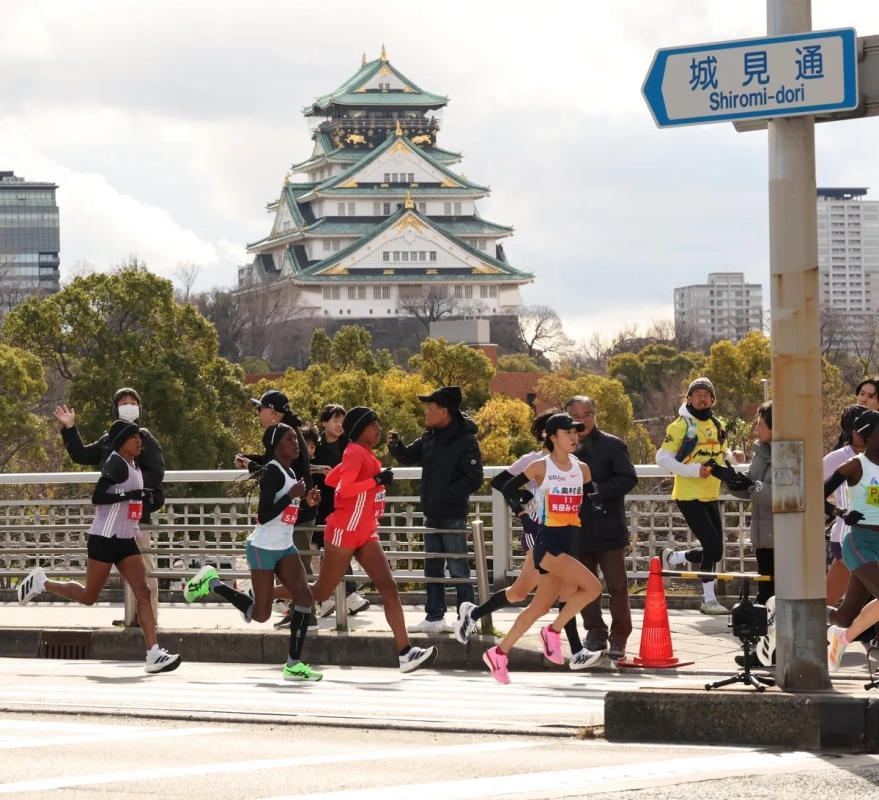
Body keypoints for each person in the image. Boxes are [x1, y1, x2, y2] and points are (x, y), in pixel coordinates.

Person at [17, 420, 180, 674]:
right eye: (133, 438)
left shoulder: (134, 465)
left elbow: (134, 495)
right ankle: (42, 583)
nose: (139, 441)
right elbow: (99, 496)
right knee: (89, 597)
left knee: (143, 591)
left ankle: (154, 654)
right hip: (104, 538)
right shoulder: (115, 462)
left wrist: (148, 496)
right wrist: (130, 496)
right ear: (121, 442)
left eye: (139, 437)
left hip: (126, 538)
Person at [455, 410, 599, 669]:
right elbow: (501, 482)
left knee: (528, 595)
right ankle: (571, 647)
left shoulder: (576, 466)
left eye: (574, 432)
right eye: (566, 431)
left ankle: (488, 633)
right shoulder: (533, 461)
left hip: (564, 534)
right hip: (540, 533)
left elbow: (585, 490)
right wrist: (523, 505)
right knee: (556, 591)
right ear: (549, 435)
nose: (573, 436)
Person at [183, 423, 323, 681]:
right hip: (263, 548)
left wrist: (305, 502)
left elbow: (287, 511)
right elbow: (266, 514)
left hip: (285, 546)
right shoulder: (272, 471)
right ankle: (213, 583)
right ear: (276, 445)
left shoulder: (290, 471)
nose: (296, 443)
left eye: (296, 439)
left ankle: (293, 665)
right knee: (261, 614)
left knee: (304, 597)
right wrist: (292, 495)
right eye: (290, 439)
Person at [310, 407, 437, 672]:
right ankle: (262, 595)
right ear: (360, 429)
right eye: (374, 425)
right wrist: (375, 479)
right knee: (321, 591)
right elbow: (345, 490)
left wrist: (359, 474)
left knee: (389, 588)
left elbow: (333, 479)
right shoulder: (355, 452)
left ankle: (406, 653)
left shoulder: (361, 453)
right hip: (346, 530)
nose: (379, 429)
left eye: (379, 424)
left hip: (366, 532)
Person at [54, 389, 164, 627]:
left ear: (139, 408)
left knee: (143, 572)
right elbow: (81, 455)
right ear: (115, 409)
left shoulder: (145, 438)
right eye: (123, 403)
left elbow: (157, 473)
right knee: (121, 577)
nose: (128, 406)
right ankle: (132, 618)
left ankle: (149, 619)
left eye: (133, 402)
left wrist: (131, 488)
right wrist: (70, 428)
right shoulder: (108, 441)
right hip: (109, 520)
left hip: (135, 517)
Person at [388, 386, 483, 633]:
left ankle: (468, 619)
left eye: (430, 408)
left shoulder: (465, 440)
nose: (426, 413)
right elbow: (409, 456)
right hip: (432, 514)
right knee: (432, 568)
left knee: (458, 569)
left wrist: (445, 495)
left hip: (453, 515)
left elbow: (474, 477)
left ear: (444, 411)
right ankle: (434, 617)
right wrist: (396, 446)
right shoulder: (430, 436)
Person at [236, 390, 319, 632]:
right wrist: (252, 464)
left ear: (272, 412)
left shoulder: (287, 436)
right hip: (284, 522)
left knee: (302, 579)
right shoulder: (284, 437)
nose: (258, 413)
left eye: (260, 408)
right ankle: (293, 612)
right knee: (269, 608)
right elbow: (275, 474)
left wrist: (301, 499)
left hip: (294, 518)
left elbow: (282, 476)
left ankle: (303, 616)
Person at [565, 395, 638, 663]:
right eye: (575, 417)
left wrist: (597, 490)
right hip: (575, 528)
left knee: (617, 586)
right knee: (583, 586)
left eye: (587, 415)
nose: (582, 421)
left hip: (608, 527)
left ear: (595, 416)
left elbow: (629, 478)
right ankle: (595, 633)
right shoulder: (563, 447)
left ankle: (619, 637)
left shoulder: (612, 444)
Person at [657, 378, 730, 615]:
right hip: (688, 495)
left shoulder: (718, 424)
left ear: (713, 400)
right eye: (697, 394)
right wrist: (692, 471)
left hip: (711, 493)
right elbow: (662, 458)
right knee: (711, 546)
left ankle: (674, 557)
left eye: (706, 395)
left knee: (715, 551)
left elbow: (719, 451)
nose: (702, 398)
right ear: (689, 398)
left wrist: (733, 455)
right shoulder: (680, 426)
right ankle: (708, 600)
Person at [823, 410, 879, 670]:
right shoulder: (856, 465)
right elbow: (817, 494)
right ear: (869, 435)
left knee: (845, 616)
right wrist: (841, 512)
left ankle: (815, 617)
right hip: (860, 542)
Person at [310, 403, 369, 619]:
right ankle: (331, 598)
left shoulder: (349, 446)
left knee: (339, 550)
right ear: (324, 423)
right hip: (321, 505)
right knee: (328, 552)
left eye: (342, 421)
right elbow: (302, 467)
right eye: (335, 420)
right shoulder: (315, 447)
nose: (339, 425)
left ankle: (344, 596)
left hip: (345, 504)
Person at [824, 405, 868, 606]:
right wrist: (838, 512)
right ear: (853, 431)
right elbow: (810, 492)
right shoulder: (838, 458)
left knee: (837, 600)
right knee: (831, 598)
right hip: (847, 537)